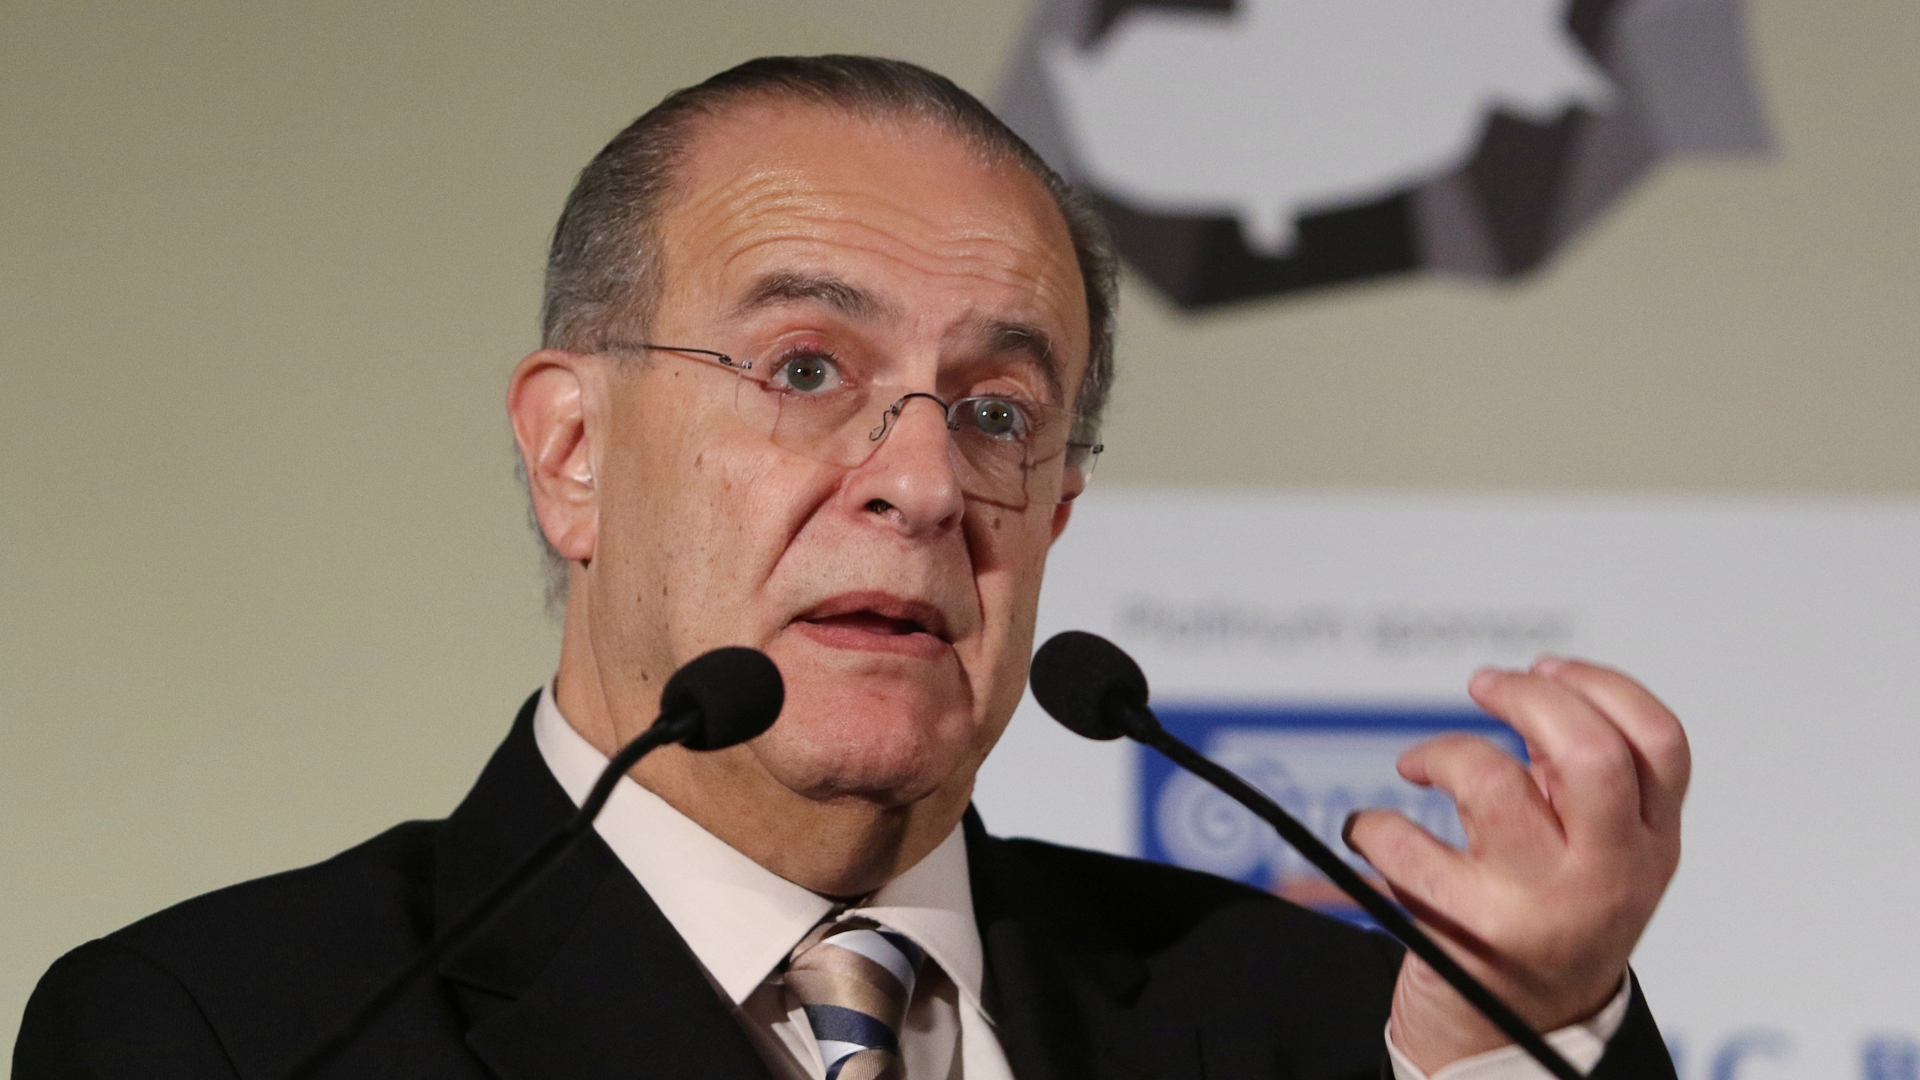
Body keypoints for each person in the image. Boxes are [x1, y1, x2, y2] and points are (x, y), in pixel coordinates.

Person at [13, 56, 1690, 1080]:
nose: (924, 481)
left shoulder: (1334, 1029)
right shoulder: (237, 1032)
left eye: (998, 410)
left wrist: (1509, 1041)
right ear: (573, 452)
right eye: (806, 368)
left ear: (1056, 514)